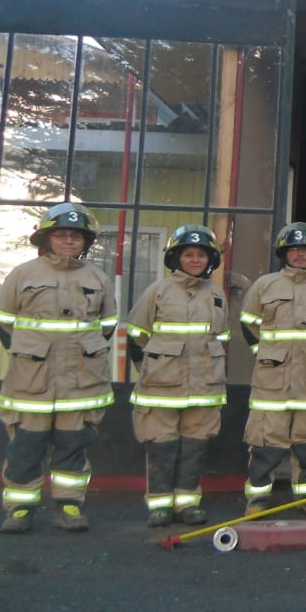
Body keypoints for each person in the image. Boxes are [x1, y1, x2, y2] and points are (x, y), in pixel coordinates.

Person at [0, 202, 117, 534]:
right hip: (30, 383)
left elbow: (107, 325)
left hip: (80, 384)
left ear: (85, 242)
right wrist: (28, 351)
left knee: (73, 449)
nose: (68, 241)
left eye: (75, 236)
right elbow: (3, 321)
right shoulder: (23, 274)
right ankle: (19, 509)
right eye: (61, 235)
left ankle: (69, 506)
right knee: (24, 450)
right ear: (46, 239)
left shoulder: (98, 278)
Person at [126, 225, 230, 527]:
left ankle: (187, 504)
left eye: (201, 255)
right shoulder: (158, 291)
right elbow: (137, 335)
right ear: (176, 258)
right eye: (189, 254)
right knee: (161, 447)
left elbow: (221, 337)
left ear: (209, 259)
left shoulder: (216, 294)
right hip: (161, 387)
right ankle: (159, 506)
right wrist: (156, 365)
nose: (195, 260)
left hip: (204, 387)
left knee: (194, 448)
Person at [239, 222, 306, 514]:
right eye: (294, 249)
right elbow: (248, 323)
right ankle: (257, 500)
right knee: (265, 443)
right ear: (284, 253)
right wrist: (266, 354)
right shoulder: (265, 285)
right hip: (272, 381)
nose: (299, 254)